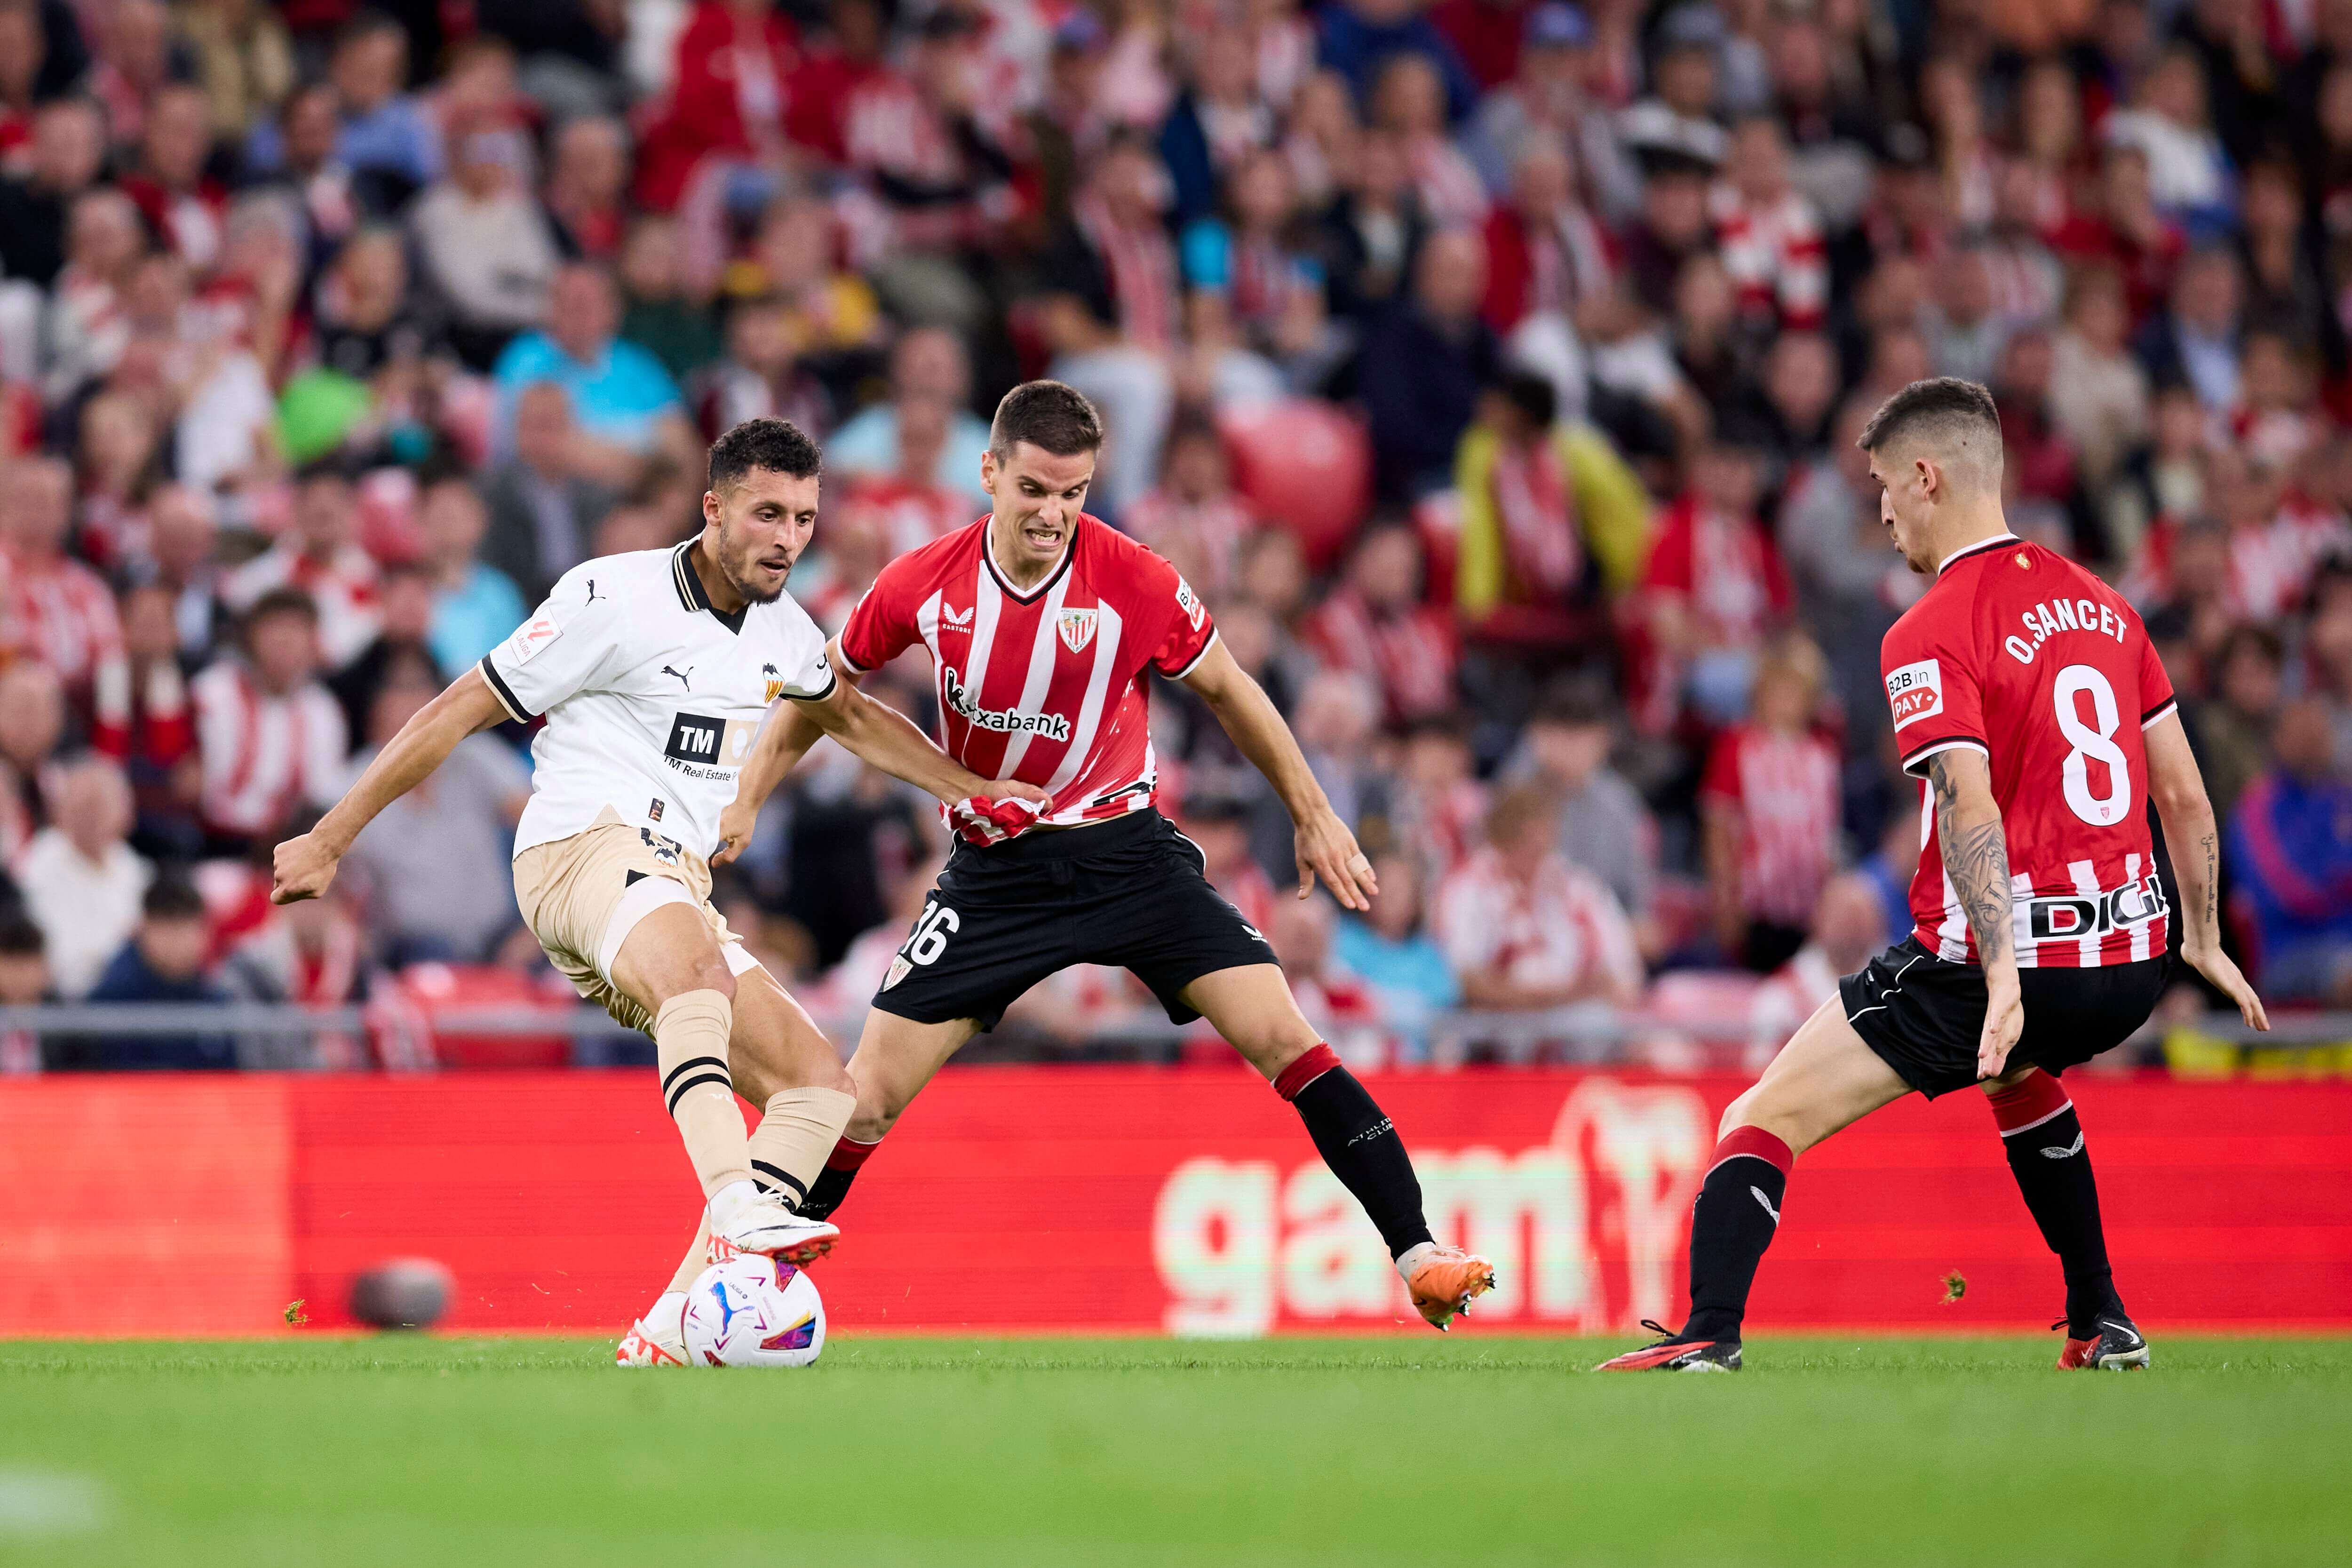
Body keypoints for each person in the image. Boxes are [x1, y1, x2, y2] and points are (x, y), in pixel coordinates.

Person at [269, 418, 1048, 1368]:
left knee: (821, 1089)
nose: (787, 537)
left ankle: (673, 1327)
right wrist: (330, 836)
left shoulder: (782, 629)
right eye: (767, 513)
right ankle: (735, 1208)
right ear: (713, 507)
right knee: (699, 978)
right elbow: (461, 704)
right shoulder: (611, 594)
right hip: (578, 844)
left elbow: (846, 713)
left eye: (803, 517)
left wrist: (970, 789)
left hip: (670, 877)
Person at [720, 381, 1498, 1330]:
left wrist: (1312, 810)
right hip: (995, 874)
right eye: (1037, 490)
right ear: (990, 473)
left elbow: (1231, 688)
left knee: (1286, 1037)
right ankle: (731, 1285)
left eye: (1074, 492)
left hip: (1128, 856)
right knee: (865, 1102)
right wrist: (749, 793)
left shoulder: (1135, 577)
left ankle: (1418, 1252)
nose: (1054, 514)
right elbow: (819, 692)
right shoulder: (923, 579)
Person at [1599, 377, 2268, 1375]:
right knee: (2018, 1071)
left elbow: (1967, 804)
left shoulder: (1928, 629)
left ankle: (1707, 1331)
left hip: (2006, 963)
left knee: (1759, 1115)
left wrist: (1999, 972)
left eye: (1881, 485)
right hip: (2132, 961)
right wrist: (2202, 936)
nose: (1878, 509)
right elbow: (2180, 790)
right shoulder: (2107, 606)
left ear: (1926, 476)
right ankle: (2103, 1316)